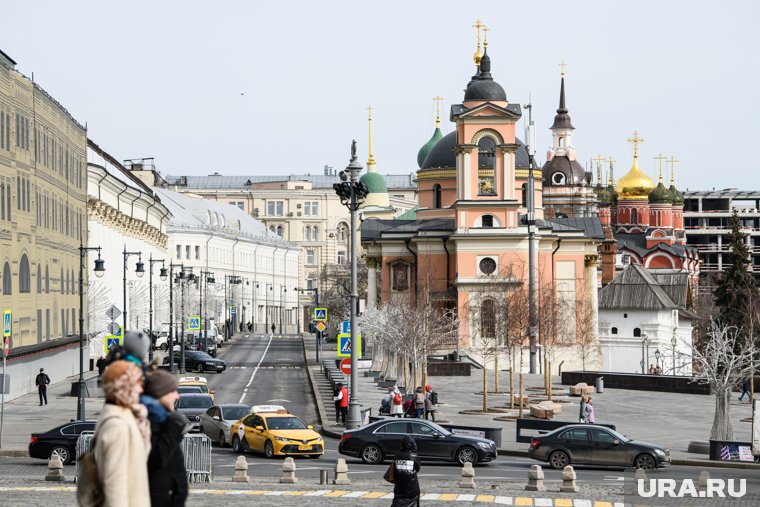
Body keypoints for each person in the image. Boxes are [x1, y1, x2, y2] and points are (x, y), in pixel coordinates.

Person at [94, 360, 151, 507]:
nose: (140, 390)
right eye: (137, 384)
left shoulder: (126, 419)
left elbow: (138, 461)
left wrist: (143, 430)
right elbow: (114, 485)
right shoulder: (117, 425)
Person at [145, 369, 191, 507]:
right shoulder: (147, 422)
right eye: (173, 391)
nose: (177, 396)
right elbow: (157, 460)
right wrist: (174, 427)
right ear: (160, 393)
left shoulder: (165, 419)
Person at [390, 436, 421, 507]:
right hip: (412, 485)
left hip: (399, 484)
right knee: (413, 502)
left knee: (398, 500)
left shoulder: (397, 455)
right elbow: (418, 468)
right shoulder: (414, 456)